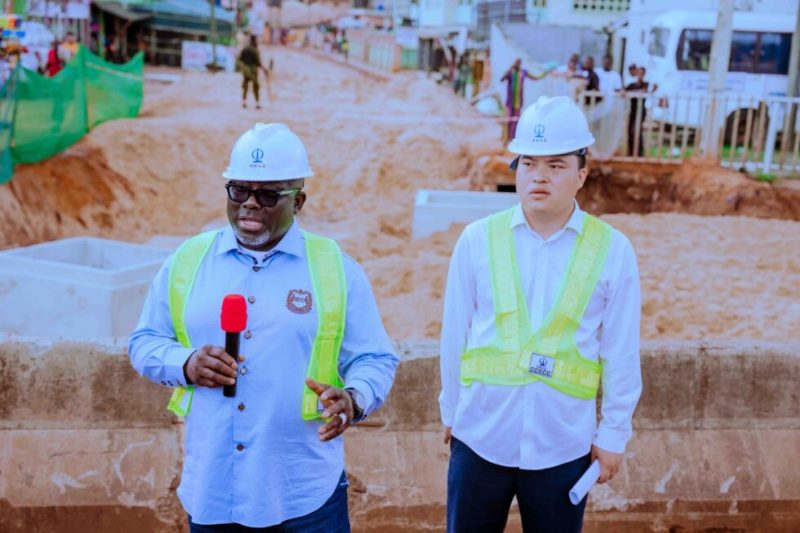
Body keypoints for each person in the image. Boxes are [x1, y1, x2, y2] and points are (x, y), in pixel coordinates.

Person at [129, 123, 399, 531]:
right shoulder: (188, 261)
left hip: (304, 492)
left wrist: (355, 398)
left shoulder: (336, 270)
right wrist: (185, 363)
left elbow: (374, 357)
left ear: (300, 200)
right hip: (213, 489)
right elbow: (145, 341)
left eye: (269, 194)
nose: (250, 204)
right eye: (239, 190)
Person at [440, 95, 642, 533]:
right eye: (529, 163)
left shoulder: (613, 250)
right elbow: (454, 335)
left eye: (555, 165)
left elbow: (621, 352)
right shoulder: (477, 240)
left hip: (562, 447)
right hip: (480, 439)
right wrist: (450, 414)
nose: (539, 177)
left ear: (581, 174)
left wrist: (613, 436)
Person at [501, 58, 547, 141]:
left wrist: (544, 73)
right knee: (508, 120)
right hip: (510, 101)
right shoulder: (511, 72)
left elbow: (535, 77)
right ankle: (505, 138)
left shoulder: (523, 72)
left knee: (515, 120)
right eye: (516, 63)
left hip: (518, 101)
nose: (517, 64)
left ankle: (512, 138)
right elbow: (502, 79)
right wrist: (510, 68)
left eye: (518, 63)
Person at [624, 66, 653, 157]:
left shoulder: (645, 84)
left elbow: (645, 90)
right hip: (632, 111)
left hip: (641, 112)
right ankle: (630, 152)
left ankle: (639, 153)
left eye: (642, 73)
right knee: (630, 131)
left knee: (636, 131)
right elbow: (624, 91)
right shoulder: (631, 85)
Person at [238, 35, 269, 109]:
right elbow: (258, 62)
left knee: (245, 86)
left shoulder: (245, 49)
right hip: (252, 70)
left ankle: (244, 102)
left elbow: (240, 59)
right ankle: (257, 103)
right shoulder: (255, 50)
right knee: (255, 87)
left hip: (245, 70)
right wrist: (264, 70)